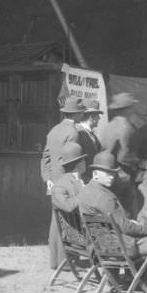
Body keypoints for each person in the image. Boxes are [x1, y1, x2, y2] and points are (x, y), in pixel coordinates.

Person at [76, 151, 147, 293]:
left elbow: (118, 224)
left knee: (141, 236)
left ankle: (128, 280)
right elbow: (126, 227)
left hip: (100, 247)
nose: (112, 176)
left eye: (113, 173)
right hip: (121, 248)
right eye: (107, 173)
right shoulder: (104, 197)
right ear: (96, 173)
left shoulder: (85, 191)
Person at [40, 96, 87, 268]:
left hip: (53, 181)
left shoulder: (54, 130)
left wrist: (48, 180)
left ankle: (57, 260)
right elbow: (71, 159)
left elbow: (45, 157)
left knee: (56, 220)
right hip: (66, 180)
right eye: (82, 112)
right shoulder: (73, 133)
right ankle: (66, 260)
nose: (82, 115)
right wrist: (75, 180)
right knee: (68, 220)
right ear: (77, 114)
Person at [99, 92, 141, 216]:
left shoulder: (107, 126)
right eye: (132, 107)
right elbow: (124, 156)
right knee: (127, 212)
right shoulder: (127, 127)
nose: (133, 110)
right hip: (123, 175)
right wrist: (137, 161)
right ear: (127, 109)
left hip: (107, 172)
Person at [49, 142, 89, 265]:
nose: (85, 163)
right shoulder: (62, 184)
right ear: (79, 163)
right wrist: (87, 192)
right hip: (72, 236)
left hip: (77, 230)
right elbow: (68, 206)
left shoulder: (78, 181)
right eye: (84, 160)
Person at [76, 100, 103, 176]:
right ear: (92, 117)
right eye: (98, 116)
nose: (99, 119)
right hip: (83, 177)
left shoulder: (92, 135)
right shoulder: (79, 133)